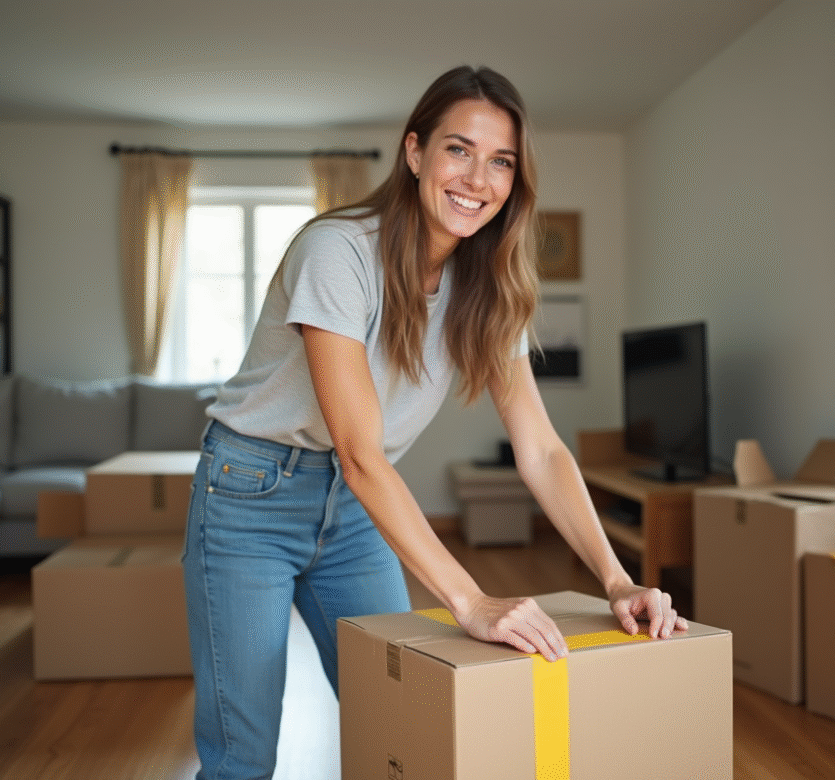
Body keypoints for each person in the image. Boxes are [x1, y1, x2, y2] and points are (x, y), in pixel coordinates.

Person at [181, 64, 688, 780]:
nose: (477, 178)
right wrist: (472, 601)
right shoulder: (338, 251)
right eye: (458, 149)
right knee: (244, 754)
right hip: (250, 494)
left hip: (352, 513)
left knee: (407, 713)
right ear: (415, 152)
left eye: (500, 161)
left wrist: (615, 579)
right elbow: (360, 453)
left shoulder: (487, 286)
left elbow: (540, 450)